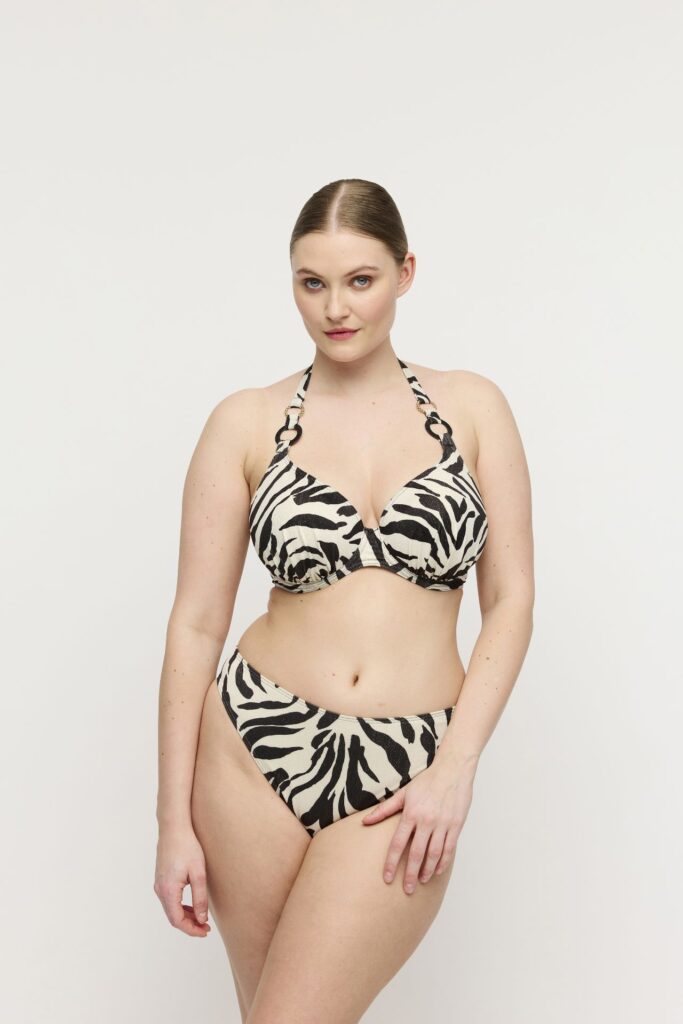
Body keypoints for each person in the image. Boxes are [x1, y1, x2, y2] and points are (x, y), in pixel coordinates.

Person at [154, 178, 535, 1023]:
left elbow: (510, 601)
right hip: (253, 749)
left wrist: (455, 768)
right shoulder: (245, 421)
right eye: (312, 282)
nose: (335, 308)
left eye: (360, 280)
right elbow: (196, 623)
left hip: (409, 764)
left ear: (405, 273)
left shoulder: (472, 408)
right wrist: (170, 820)